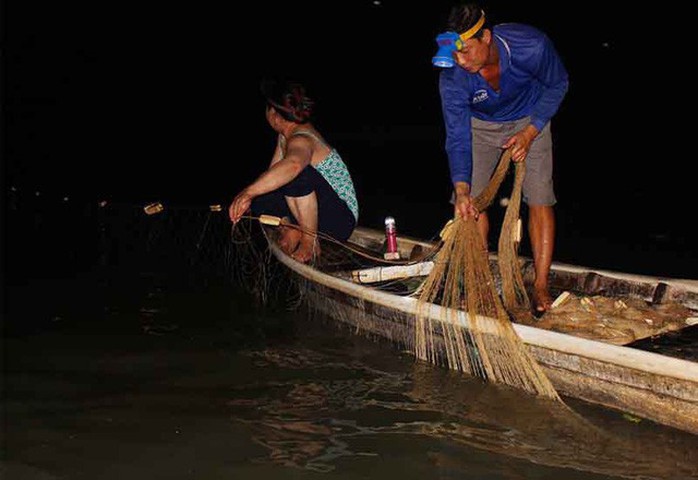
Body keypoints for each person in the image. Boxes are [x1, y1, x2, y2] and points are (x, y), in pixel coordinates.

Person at [434, 2, 569, 312]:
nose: (460, 60)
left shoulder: (531, 46)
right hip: (479, 128)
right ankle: (478, 285)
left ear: (486, 37)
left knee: (540, 198)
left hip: (530, 118)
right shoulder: (452, 76)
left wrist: (532, 131)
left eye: (466, 50)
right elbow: (456, 135)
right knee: (468, 207)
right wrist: (462, 188)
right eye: (454, 53)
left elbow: (558, 83)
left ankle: (541, 285)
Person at [228, 79, 359, 263]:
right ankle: (290, 228)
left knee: (294, 175)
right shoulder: (284, 136)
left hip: (339, 220)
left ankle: (309, 241)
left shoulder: (302, 138)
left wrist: (247, 193)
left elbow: (293, 166)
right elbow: (274, 173)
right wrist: (249, 196)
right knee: (262, 193)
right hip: (310, 211)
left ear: (275, 114)